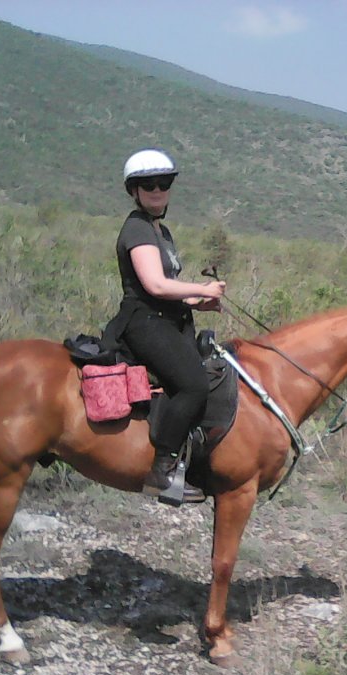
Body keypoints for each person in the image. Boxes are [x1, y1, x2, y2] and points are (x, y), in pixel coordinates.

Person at [102, 148, 226, 502]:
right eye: (148, 184)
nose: (157, 190)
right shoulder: (138, 229)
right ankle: (162, 470)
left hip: (165, 318)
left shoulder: (161, 231)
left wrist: (198, 302)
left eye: (164, 183)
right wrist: (200, 288)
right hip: (144, 321)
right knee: (193, 385)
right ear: (134, 191)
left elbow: (169, 289)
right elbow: (155, 285)